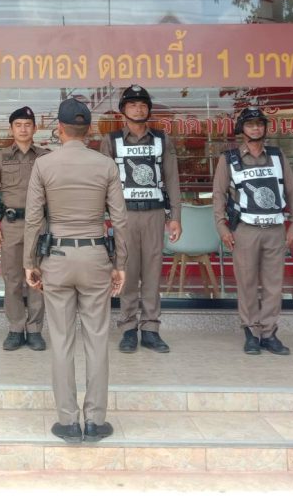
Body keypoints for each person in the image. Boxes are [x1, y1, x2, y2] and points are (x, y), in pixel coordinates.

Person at [24, 97, 129, 444]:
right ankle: (95, 421)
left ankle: (68, 421)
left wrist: (29, 262)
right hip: (96, 256)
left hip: (56, 257)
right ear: (89, 130)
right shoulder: (106, 165)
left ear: (59, 129)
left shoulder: (44, 165)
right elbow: (120, 220)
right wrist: (121, 264)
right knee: (97, 339)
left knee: (61, 340)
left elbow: (33, 219)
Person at [212, 107, 293, 356]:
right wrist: (222, 227)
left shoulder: (277, 156)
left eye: (259, 124)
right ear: (242, 129)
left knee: (274, 284)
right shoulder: (229, 158)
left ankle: (269, 333)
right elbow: (218, 195)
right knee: (247, 282)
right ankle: (251, 332)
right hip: (245, 229)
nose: (255, 128)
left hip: (275, 228)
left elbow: (292, 192)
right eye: (250, 124)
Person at [100, 85, 182, 354]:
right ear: (123, 110)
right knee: (127, 270)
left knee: (152, 272)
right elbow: (102, 182)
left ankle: (150, 329)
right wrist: (102, 217)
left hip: (154, 214)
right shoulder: (111, 140)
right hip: (124, 216)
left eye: (143, 104)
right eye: (133, 105)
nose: (139, 109)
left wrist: (175, 217)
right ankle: (128, 328)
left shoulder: (161, 139)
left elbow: (172, 179)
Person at [0, 106, 49, 351]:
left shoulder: (45, 157)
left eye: (27, 125)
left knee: (37, 278)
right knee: (12, 279)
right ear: (11, 129)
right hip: (10, 225)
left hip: (39, 225)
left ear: (35, 128)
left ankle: (35, 330)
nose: (23, 129)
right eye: (18, 125)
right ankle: (15, 328)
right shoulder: (0, 157)